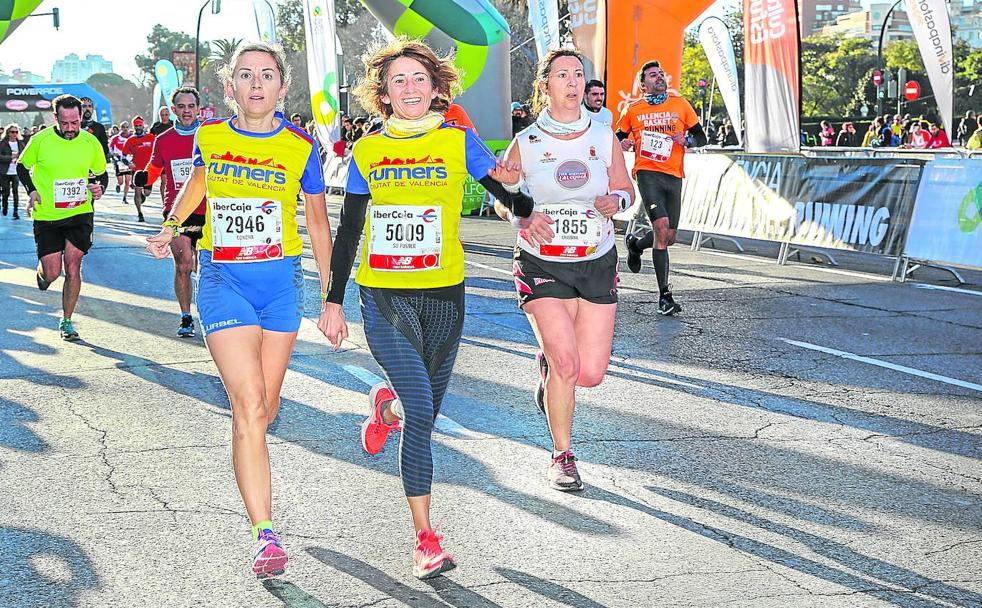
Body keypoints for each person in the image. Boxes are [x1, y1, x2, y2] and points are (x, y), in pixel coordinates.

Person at [320, 37, 530, 580]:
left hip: (444, 294)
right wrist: (332, 301)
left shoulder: (457, 141)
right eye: (398, 81)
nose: (410, 88)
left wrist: (530, 211)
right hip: (383, 294)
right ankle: (425, 538)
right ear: (383, 94)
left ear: (436, 89)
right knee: (421, 408)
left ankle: (383, 411)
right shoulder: (367, 151)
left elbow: (504, 194)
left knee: (421, 416)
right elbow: (349, 232)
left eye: (420, 79)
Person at [146, 41, 336, 580]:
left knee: (266, 406)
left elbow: (319, 225)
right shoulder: (211, 137)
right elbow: (197, 183)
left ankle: (250, 456)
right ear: (231, 87)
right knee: (249, 404)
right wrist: (171, 225)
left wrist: (331, 296)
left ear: (282, 86)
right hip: (225, 280)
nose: (257, 84)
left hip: (280, 287)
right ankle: (265, 534)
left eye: (268, 75)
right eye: (246, 75)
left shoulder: (301, 147)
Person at [494, 49, 633, 492]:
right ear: (546, 86)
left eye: (578, 74)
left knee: (589, 373)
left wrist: (618, 202)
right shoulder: (528, 143)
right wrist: (521, 213)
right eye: (562, 75)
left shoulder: (603, 135)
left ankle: (549, 372)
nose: (573, 82)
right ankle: (562, 455)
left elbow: (626, 189)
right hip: (541, 262)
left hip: (595, 259)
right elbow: (502, 202)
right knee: (567, 362)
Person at [616, 60, 707, 315]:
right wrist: (621, 145)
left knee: (669, 237)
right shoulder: (633, 109)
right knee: (661, 227)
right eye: (652, 75)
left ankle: (635, 245)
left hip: (674, 175)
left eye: (660, 74)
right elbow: (617, 138)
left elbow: (702, 137)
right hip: (647, 173)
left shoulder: (680, 104)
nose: (659, 78)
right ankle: (664, 296)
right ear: (643, 84)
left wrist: (686, 139)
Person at [16, 94, 108, 341]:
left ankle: (67, 320)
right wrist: (32, 191)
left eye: (74, 123)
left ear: (80, 118)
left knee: (74, 266)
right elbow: (21, 167)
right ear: (55, 117)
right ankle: (43, 274)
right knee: (53, 271)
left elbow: (101, 174)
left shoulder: (90, 142)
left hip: (80, 212)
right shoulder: (41, 140)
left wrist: (100, 188)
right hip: (48, 215)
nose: (70, 128)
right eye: (65, 123)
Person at [134, 87, 206, 338]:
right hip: (178, 211)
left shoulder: (210, 135)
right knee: (184, 264)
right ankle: (187, 316)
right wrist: (145, 177)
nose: (186, 111)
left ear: (198, 109)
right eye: (181, 107)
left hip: (210, 210)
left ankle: (210, 313)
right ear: (173, 110)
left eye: (191, 106)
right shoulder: (163, 139)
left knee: (208, 267)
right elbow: (154, 168)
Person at [122, 117, 155, 222]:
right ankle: (140, 213)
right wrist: (128, 163)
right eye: (136, 126)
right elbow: (123, 156)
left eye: (140, 125)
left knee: (147, 193)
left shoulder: (151, 137)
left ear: (143, 126)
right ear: (133, 127)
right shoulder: (130, 140)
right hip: (136, 170)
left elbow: (158, 150)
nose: (138, 128)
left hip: (149, 170)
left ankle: (142, 195)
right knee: (137, 192)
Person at [1, 124, 24, 219]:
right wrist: (9, 158)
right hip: (5, 172)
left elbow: (25, 155)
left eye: (16, 132)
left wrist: (20, 157)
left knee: (15, 191)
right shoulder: (2, 143)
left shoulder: (20, 143)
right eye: (12, 132)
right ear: (8, 133)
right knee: (6, 192)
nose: (15, 134)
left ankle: (15, 211)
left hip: (16, 172)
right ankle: (4, 206)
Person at [79, 97, 110, 161]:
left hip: (95, 163)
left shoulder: (99, 127)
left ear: (93, 108)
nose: (87, 108)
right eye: (84, 106)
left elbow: (105, 148)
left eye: (90, 106)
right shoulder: (74, 126)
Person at [109, 121, 131, 202]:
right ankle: (118, 184)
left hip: (128, 161)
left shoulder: (131, 138)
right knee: (121, 182)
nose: (125, 129)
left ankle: (124, 198)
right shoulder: (115, 138)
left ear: (129, 128)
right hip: (118, 162)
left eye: (126, 127)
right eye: (123, 127)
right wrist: (113, 154)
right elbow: (110, 148)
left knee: (127, 181)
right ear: (121, 128)